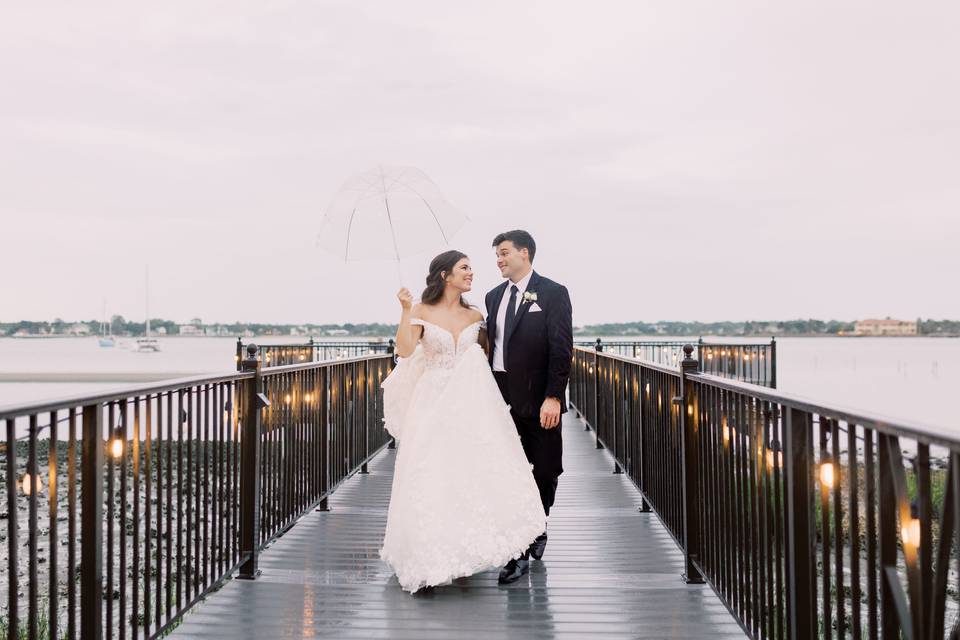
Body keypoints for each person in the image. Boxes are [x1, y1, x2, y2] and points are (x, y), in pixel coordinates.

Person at [379, 249, 546, 593]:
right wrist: (405, 309)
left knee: (467, 474)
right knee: (431, 473)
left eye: (471, 268)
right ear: (445, 275)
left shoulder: (475, 314)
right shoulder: (422, 310)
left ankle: (464, 551)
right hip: (432, 401)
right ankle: (426, 557)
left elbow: (486, 356)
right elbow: (407, 350)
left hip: (470, 404)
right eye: (464, 268)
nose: (472, 273)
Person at [485, 230, 573, 584]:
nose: (499, 260)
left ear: (525, 252)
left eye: (504, 253)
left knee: (547, 468)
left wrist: (553, 395)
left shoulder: (552, 293)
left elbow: (561, 347)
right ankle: (518, 548)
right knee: (511, 471)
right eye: (496, 255)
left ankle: (540, 523)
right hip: (500, 395)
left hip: (539, 397)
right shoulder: (492, 297)